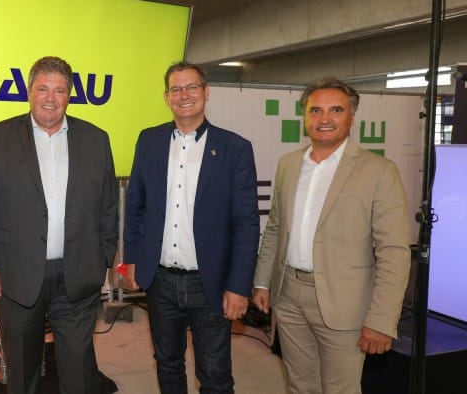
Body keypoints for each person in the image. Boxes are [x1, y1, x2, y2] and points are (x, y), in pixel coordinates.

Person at [0, 56, 118, 394]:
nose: (51, 97)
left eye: (59, 90)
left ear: (69, 95)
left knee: (78, 368)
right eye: (43, 89)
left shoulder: (96, 139)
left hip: (78, 276)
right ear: (30, 92)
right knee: (22, 371)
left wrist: (104, 258)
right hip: (15, 276)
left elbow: (109, 204)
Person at [252, 77, 411, 394]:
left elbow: (393, 251)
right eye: (315, 110)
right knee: (301, 384)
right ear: (305, 117)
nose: (324, 119)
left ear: (352, 117)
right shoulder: (289, 164)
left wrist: (381, 320)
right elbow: (274, 228)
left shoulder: (379, 170)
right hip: (289, 296)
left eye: (335, 110)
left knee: (341, 389)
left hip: (346, 303)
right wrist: (262, 281)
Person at [123, 61, 260, 393]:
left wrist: (239, 286)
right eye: (176, 89)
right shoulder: (149, 141)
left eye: (191, 87)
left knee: (214, 374)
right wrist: (130, 260)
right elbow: (135, 206)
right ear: (166, 97)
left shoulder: (234, 149)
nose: (184, 95)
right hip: (160, 281)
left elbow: (246, 224)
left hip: (209, 283)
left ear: (206, 92)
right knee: (168, 365)